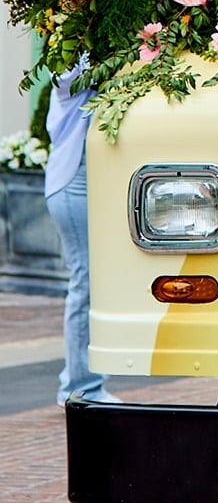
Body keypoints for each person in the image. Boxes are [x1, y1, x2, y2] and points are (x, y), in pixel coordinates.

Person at [44, 63, 116, 405]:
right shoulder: (71, 65)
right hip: (72, 183)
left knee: (93, 283)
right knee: (85, 283)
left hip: (91, 183)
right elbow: (71, 75)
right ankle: (79, 387)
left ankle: (79, 383)